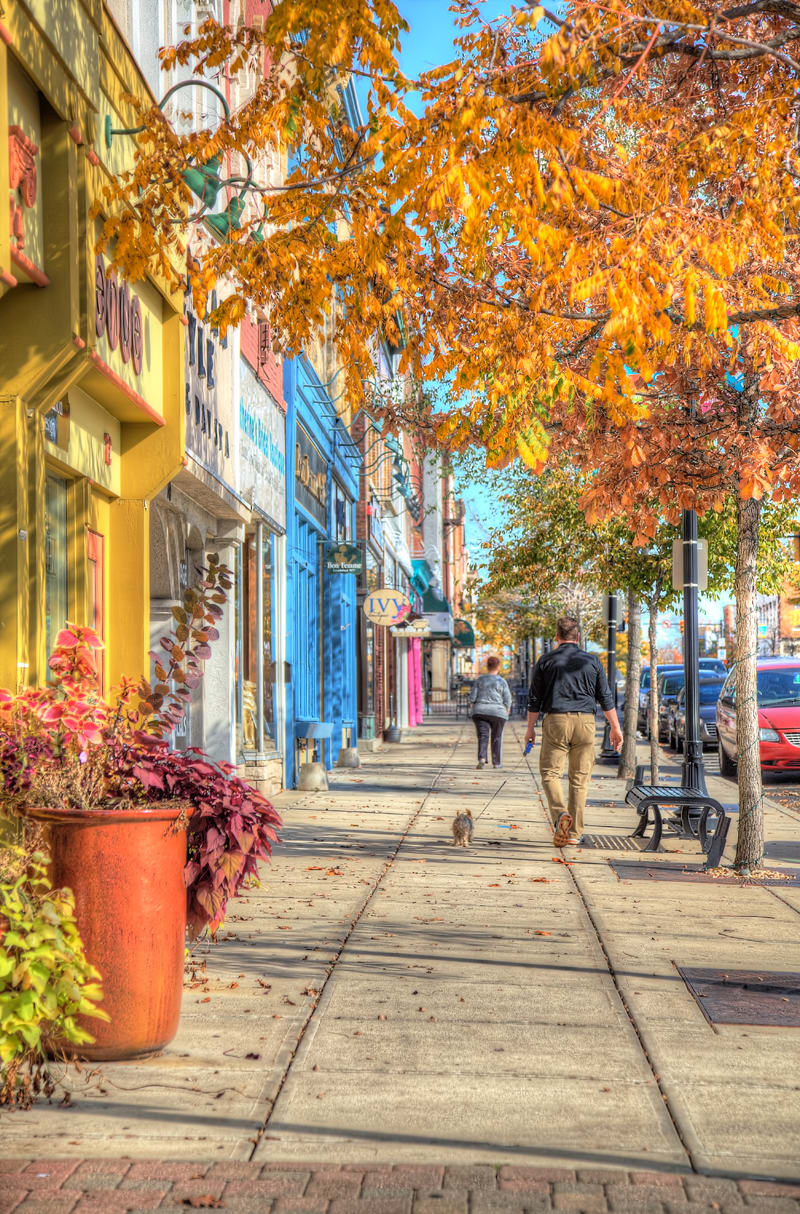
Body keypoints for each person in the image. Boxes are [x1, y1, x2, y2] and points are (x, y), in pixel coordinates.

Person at [524, 617, 623, 847]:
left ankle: (560, 815)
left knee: (550, 774)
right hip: (585, 723)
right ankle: (575, 833)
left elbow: (534, 699)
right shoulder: (592, 661)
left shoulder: (545, 661)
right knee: (579, 779)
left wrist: (530, 729)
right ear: (578, 637)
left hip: (556, 720)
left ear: (556, 637)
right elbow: (605, 697)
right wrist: (615, 727)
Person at [469, 656, 512, 769]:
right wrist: (507, 709)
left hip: (480, 711)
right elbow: (507, 698)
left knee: (483, 736)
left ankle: (482, 758)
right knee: (496, 737)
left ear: (487, 667)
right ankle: (496, 763)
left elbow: (473, 697)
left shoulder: (480, 679)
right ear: (498, 667)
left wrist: (473, 706)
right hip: (498, 712)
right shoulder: (502, 681)